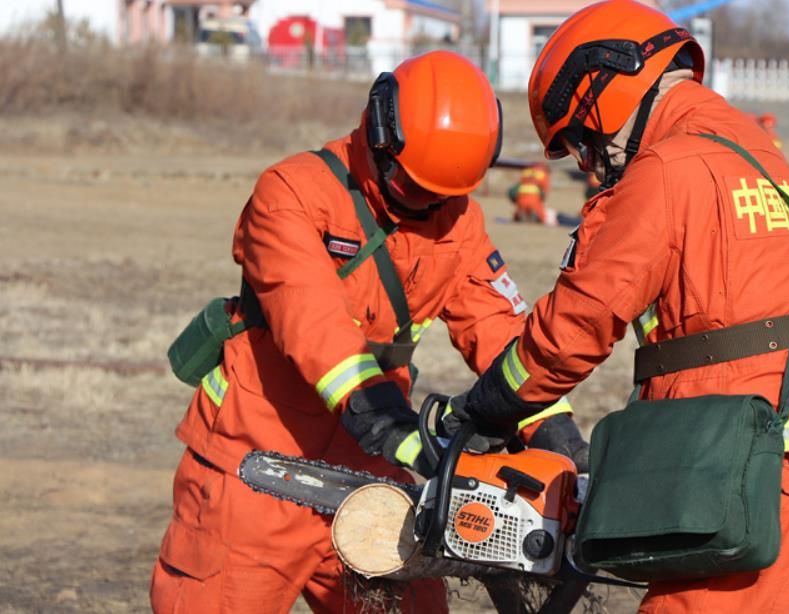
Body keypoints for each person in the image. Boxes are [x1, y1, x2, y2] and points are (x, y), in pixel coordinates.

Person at [445, 2, 789, 612]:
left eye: (583, 144)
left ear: (603, 86)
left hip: (752, 505)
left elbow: (574, 329)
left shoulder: (667, 170)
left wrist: (485, 408)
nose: (593, 165)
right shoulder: (787, 178)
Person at [149, 50, 584, 614]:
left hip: (374, 474)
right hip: (254, 463)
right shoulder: (293, 193)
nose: (425, 203)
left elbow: (497, 324)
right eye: (411, 185)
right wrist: (392, 426)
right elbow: (314, 324)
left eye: (441, 193)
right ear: (380, 131)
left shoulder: (457, 220)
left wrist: (553, 427)